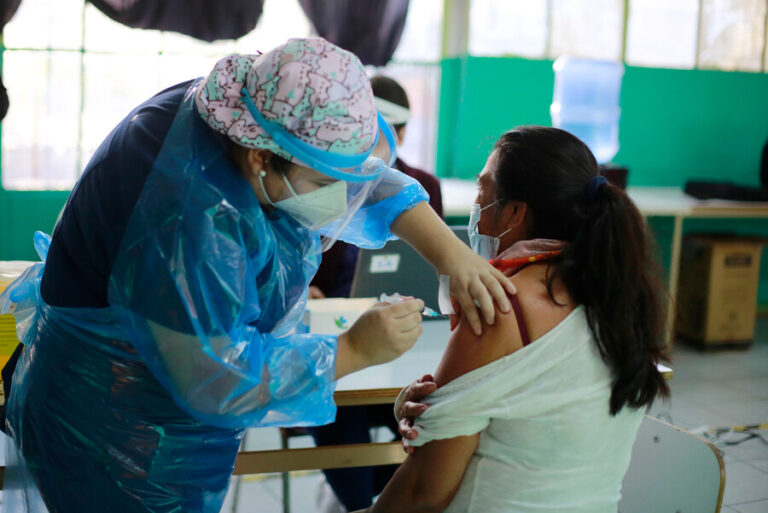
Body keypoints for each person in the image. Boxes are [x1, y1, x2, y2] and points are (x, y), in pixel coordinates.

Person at [0, 38, 515, 513]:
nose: (338, 199)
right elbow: (216, 378)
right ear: (259, 158)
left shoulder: (249, 114)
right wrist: (355, 350)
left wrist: (455, 255)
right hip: (115, 428)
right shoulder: (188, 214)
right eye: (321, 182)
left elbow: (366, 180)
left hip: (158, 408)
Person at [358, 126, 670, 513]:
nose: (476, 207)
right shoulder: (620, 297)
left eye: (482, 191)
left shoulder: (498, 306)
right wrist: (438, 415)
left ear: (515, 212)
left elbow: (424, 493)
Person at [307, 74, 443, 512]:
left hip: (400, 338)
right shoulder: (321, 180)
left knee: (434, 415)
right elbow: (303, 266)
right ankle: (359, 496)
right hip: (337, 334)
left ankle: (374, 491)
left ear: (400, 133)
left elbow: (428, 270)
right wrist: (307, 290)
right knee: (337, 403)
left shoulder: (422, 189)